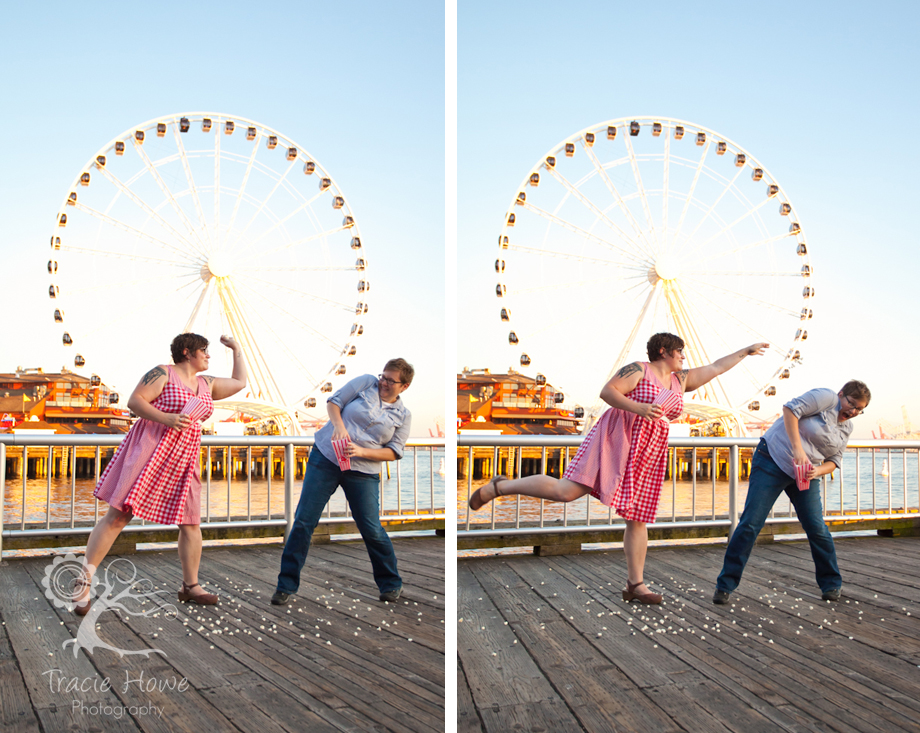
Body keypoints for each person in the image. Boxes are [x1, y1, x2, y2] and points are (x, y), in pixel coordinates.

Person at [469, 334, 768, 605]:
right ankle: (499, 486)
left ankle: (635, 585)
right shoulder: (639, 370)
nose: (683, 356)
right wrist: (639, 408)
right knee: (567, 492)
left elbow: (716, 367)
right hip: (616, 439)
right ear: (663, 351)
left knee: (638, 517)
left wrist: (745, 351)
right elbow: (608, 392)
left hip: (648, 450)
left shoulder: (681, 380)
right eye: (679, 351)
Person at [72, 333, 247, 615]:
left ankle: (190, 586)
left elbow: (240, 382)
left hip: (184, 456)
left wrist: (237, 348)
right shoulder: (162, 373)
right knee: (118, 516)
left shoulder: (207, 383)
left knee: (190, 521)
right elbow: (135, 401)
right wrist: (167, 418)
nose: (208, 355)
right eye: (205, 350)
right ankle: (83, 582)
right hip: (149, 450)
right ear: (188, 352)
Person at [713, 381, 870, 605]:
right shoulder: (826, 398)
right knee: (751, 523)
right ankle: (725, 585)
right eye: (851, 403)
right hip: (773, 460)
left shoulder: (846, 428)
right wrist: (798, 449)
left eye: (859, 410)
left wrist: (817, 471)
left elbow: (835, 461)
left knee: (816, 527)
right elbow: (790, 409)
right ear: (841, 394)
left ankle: (831, 584)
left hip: (805, 474)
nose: (852, 411)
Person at [272, 359, 413, 606]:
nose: (384, 382)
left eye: (391, 381)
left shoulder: (403, 416)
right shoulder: (366, 383)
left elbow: (393, 451)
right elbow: (334, 402)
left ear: (405, 386)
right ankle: (286, 585)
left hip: (363, 471)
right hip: (326, 457)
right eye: (384, 376)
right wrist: (339, 427)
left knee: (371, 528)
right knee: (304, 521)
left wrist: (361, 451)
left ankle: (391, 583)